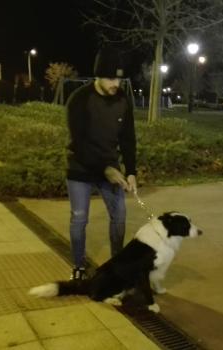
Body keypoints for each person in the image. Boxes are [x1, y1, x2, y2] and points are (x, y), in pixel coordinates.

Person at [65, 47, 137, 280]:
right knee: (79, 218)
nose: (115, 83)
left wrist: (132, 171)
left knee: (120, 216)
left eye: (118, 78)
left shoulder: (123, 101)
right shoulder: (79, 100)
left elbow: (128, 139)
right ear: (97, 76)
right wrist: (106, 169)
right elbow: (80, 144)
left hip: (111, 169)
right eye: (110, 78)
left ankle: (117, 265)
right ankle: (78, 266)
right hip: (81, 168)